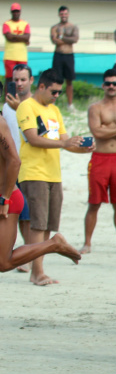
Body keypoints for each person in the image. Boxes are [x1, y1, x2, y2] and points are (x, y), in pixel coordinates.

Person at [17, 69, 91, 285]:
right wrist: (64, 144)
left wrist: (82, 148)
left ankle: (39, 270)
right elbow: (32, 138)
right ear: (41, 86)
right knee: (37, 225)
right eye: (54, 91)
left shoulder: (55, 111)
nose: (57, 95)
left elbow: (65, 141)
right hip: (33, 172)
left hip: (53, 174)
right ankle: (36, 272)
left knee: (48, 225)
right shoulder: (26, 106)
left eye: (59, 92)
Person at [1, 115, 81, 273]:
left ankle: (53, 244)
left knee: (3, 263)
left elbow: (14, 161)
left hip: (5, 198)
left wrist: (5, 199)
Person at [80, 69, 116, 254]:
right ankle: (87, 243)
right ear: (103, 85)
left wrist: (110, 129)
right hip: (99, 159)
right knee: (94, 203)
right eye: (107, 83)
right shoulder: (95, 108)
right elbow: (96, 133)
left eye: (115, 83)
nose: (111, 86)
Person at [3, 63, 33, 256]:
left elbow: (36, 135)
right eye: (15, 80)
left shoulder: (34, 106)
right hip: (10, 167)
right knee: (16, 215)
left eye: (23, 79)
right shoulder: (6, 107)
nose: (19, 84)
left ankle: (30, 257)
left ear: (31, 80)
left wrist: (20, 108)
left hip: (31, 166)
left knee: (30, 216)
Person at [50, 6, 78, 110]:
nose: (63, 16)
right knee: (55, 80)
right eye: (62, 14)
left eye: (65, 14)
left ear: (68, 14)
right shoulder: (54, 27)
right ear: (59, 15)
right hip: (58, 55)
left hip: (69, 55)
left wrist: (61, 37)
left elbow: (75, 39)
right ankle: (53, 102)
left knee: (69, 81)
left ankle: (70, 104)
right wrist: (66, 39)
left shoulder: (73, 27)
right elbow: (54, 40)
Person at [3, 3, 30, 86]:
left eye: (17, 11)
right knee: (10, 78)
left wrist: (14, 37)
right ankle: (9, 98)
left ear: (20, 12)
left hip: (22, 56)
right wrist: (22, 38)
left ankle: (20, 98)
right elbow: (8, 37)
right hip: (10, 56)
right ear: (11, 12)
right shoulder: (7, 24)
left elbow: (27, 37)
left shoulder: (25, 24)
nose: (16, 13)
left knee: (22, 78)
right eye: (14, 11)